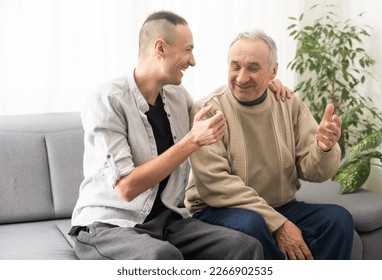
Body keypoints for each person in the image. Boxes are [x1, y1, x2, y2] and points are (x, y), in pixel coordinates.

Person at [69, 11, 291, 260]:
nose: (193, 61)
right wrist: (192, 141)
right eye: (188, 50)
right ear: (161, 48)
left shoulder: (177, 97)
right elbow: (126, 188)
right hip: (109, 225)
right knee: (162, 257)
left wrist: (265, 86)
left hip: (167, 222)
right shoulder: (107, 100)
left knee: (244, 246)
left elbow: (219, 103)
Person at [185, 30, 354, 260]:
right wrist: (278, 224)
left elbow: (313, 171)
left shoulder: (288, 102)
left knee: (338, 219)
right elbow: (216, 184)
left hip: (279, 205)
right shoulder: (207, 111)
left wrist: (324, 148)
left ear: (273, 71)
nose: (241, 78)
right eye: (235, 67)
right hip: (218, 209)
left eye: (253, 68)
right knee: (253, 224)